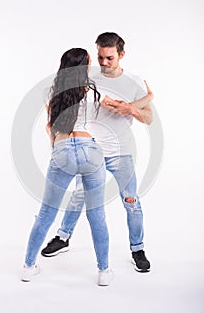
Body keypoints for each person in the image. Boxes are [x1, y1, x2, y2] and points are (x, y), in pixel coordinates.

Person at [41, 32, 153, 273]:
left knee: (132, 202)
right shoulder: (88, 78)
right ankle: (63, 237)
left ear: (121, 55)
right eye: (100, 57)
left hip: (121, 153)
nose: (103, 63)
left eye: (109, 58)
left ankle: (138, 249)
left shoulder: (134, 81)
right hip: (91, 152)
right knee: (78, 197)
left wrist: (130, 109)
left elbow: (149, 118)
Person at [21, 48, 112, 286]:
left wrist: (58, 151)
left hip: (62, 149)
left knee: (46, 214)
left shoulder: (49, 92)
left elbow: (50, 128)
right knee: (97, 215)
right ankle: (103, 272)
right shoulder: (93, 91)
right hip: (90, 149)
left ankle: (28, 267)